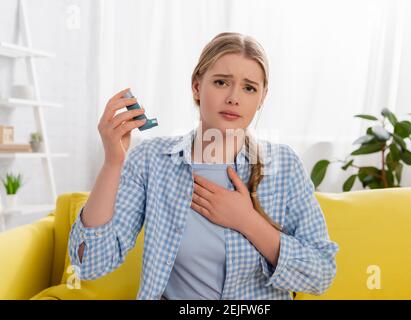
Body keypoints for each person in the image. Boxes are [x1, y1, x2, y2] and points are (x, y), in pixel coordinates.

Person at [68, 32, 339, 300]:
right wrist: (113, 163)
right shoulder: (151, 161)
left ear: (262, 97)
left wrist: (247, 222)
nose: (234, 97)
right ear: (197, 87)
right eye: (221, 82)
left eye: (249, 87)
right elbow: (90, 264)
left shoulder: (284, 165)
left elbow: (321, 273)